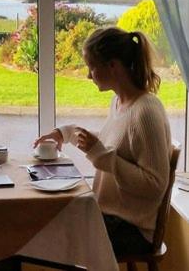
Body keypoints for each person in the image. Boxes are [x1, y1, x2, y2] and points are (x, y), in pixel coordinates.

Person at [34, 26, 172, 256]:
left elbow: (155, 185)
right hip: (110, 217)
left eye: (92, 67)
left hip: (132, 229)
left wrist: (101, 156)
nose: (89, 75)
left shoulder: (146, 111)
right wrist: (64, 133)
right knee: (41, 222)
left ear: (113, 66)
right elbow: (114, 141)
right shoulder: (120, 103)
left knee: (44, 234)